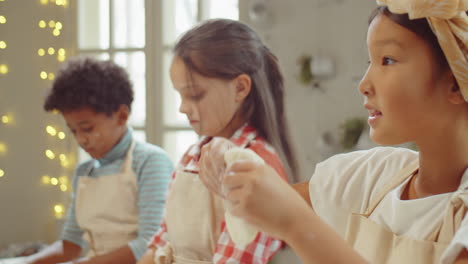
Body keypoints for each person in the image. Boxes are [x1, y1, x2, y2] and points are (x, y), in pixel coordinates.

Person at [200, 1, 468, 263]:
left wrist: (297, 226)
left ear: (456, 82)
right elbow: (266, 200)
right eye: (369, 61)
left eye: (387, 60)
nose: (364, 84)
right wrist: (232, 158)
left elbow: (287, 212)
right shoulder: (372, 177)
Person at [137, 19, 299, 264]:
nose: (182, 108)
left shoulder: (257, 167)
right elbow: (162, 238)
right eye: (179, 95)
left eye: (194, 95)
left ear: (240, 88)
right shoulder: (193, 154)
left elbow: (238, 258)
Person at [25, 57, 174, 264]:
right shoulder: (84, 172)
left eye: (87, 128)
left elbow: (150, 243)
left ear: (122, 116)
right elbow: (70, 245)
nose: (80, 139)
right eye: (73, 130)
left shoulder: (150, 162)